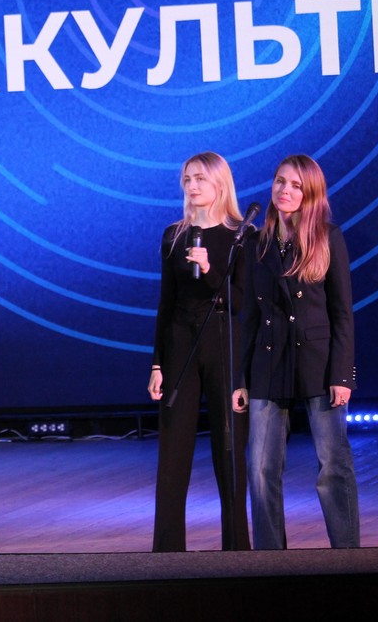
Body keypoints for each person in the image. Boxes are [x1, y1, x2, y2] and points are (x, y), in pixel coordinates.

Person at [233, 155, 359, 549]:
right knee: (260, 469)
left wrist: (342, 375)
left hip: (318, 364)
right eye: (279, 181)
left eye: (295, 185)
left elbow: (342, 313)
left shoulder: (328, 237)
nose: (284, 190)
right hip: (268, 364)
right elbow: (250, 317)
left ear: (311, 193)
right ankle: (270, 560)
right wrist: (240, 378)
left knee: (333, 466)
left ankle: (348, 557)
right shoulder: (256, 242)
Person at [147, 152, 250, 552]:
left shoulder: (242, 235)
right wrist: (157, 362)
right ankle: (168, 553)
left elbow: (242, 302)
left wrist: (209, 271)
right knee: (173, 452)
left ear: (220, 184)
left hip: (223, 340)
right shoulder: (174, 235)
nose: (192, 186)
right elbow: (166, 301)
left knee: (229, 450)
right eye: (187, 179)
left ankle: (237, 551)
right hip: (180, 343)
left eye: (200, 179)